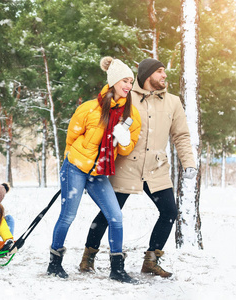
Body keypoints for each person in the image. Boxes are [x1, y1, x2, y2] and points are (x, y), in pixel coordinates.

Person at [81, 58, 197, 278]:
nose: (164, 75)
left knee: (169, 212)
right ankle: (88, 256)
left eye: (164, 71)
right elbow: (102, 123)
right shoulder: (126, 96)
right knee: (110, 213)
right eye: (160, 71)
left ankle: (151, 261)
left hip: (156, 168)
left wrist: (188, 162)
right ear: (147, 75)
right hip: (126, 166)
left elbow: (180, 135)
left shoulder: (173, 102)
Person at [47, 56, 142, 283]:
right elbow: (71, 138)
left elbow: (127, 149)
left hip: (100, 171)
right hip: (77, 168)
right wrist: (71, 166)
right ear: (113, 81)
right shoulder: (89, 109)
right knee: (68, 215)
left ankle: (117, 269)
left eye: (131, 82)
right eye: (125, 81)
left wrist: (124, 139)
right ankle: (54, 263)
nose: (129, 86)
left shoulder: (131, 115)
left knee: (116, 217)